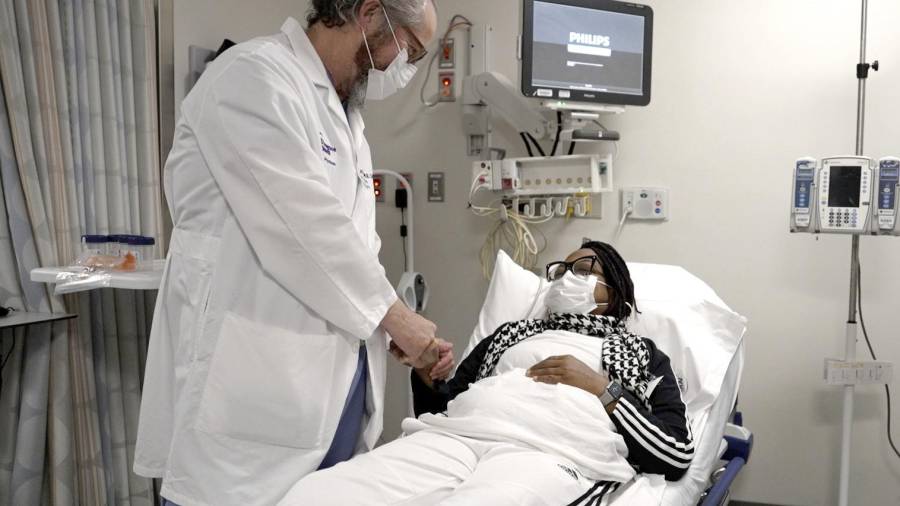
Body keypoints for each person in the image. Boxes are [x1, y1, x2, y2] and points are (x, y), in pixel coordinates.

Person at [133, 2, 454, 505]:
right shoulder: (251, 78)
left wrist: (383, 321)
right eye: (408, 49)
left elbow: (352, 252)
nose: (403, 69)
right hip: (252, 386)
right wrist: (395, 318)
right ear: (370, 13)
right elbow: (301, 227)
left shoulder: (349, 121)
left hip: (332, 386)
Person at [280, 241, 694, 506]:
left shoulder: (641, 354)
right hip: (456, 437)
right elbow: (445, 405)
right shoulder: (511, 335)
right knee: (318, 495)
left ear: (616, 292)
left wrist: (602, 388)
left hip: (552, 453)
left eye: (585, 270)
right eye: (561, 271)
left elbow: (675, 454)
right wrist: (427, 374)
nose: (568, 277)